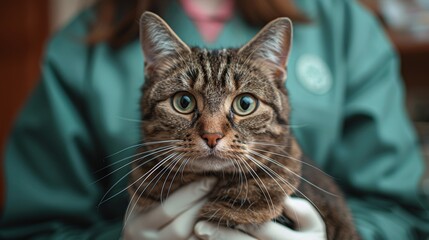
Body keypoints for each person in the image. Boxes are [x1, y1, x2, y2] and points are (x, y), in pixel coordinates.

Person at [1, 0, 428, 239]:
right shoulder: (79, 43)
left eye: (242, 106)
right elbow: (33, 230)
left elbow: (405, 215)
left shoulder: (344, 22)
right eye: (185, 104)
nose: (211, 133)